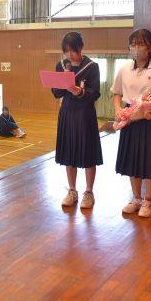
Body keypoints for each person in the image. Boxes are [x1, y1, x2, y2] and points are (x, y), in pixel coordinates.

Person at [112, 29, 151, 218]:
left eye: (140, 44)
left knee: (150, 161)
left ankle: (148, 200)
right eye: (133, 45)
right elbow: (117, 93)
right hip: (130, 119)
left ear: (150, 47)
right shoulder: (124, 69)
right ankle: (136, 198)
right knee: (133, 160)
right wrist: (118, 109)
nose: (136, 49)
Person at [53, 31, 103, 209]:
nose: (69, 55)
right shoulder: (61, 66)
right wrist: (62, 83)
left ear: (80, 47)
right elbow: (56, 93)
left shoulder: (91, 67)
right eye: (66, 51)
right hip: (67, 112)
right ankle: (72, 191)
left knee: (88, 153)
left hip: (85, 113)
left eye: (72, 50)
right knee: (69, 153)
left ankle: (89, 192)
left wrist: (80, 91)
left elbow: (95, 93)